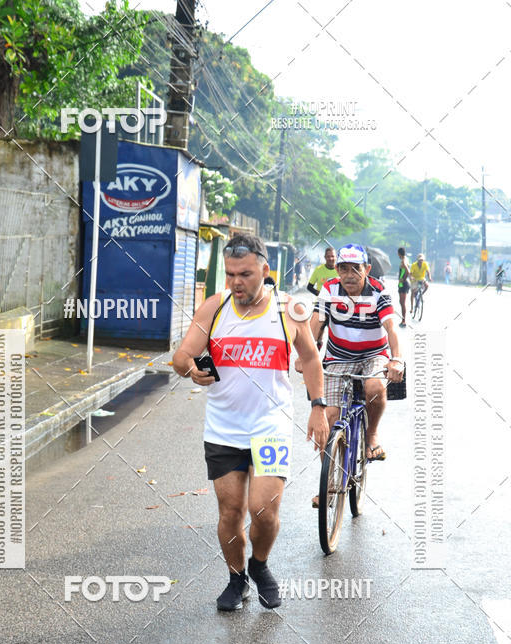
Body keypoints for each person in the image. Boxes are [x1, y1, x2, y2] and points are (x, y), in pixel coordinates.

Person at [173, 234, 329, 612]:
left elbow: (309, 359)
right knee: (229, 513)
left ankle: (259, 565)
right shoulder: (215, 307)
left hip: (270, 425)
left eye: (244, 273)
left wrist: (318, 406)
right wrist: (191, 370)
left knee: (264, 510)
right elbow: (180, 357)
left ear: (265, 269)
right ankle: (236, 578)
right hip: (223, 428)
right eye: (230, 274)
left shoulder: (288, 311)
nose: (236, 282)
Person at [303, 245, 404, 501]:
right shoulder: (329, 289)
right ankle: (329, 483)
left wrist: (397, 360)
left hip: (374, 355)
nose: (349, 275)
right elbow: (316, 322)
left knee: (374, 388)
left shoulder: (379, 291)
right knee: (330, 416)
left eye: (355, 269)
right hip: (338, 357)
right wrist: (306, 355)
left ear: (367, 270)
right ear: (336, 270)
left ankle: (371, 436)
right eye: (343, 269)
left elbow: (391, 328)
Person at [397, 247, 411, 327]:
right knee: (401, 302)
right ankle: (403, 319)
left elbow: (407, 271)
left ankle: (403, 320)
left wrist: (403, 279)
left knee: (402, 303)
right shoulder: (406, 259)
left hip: (403, 284)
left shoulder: (403, 260)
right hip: (402, 284)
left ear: (399, 253)